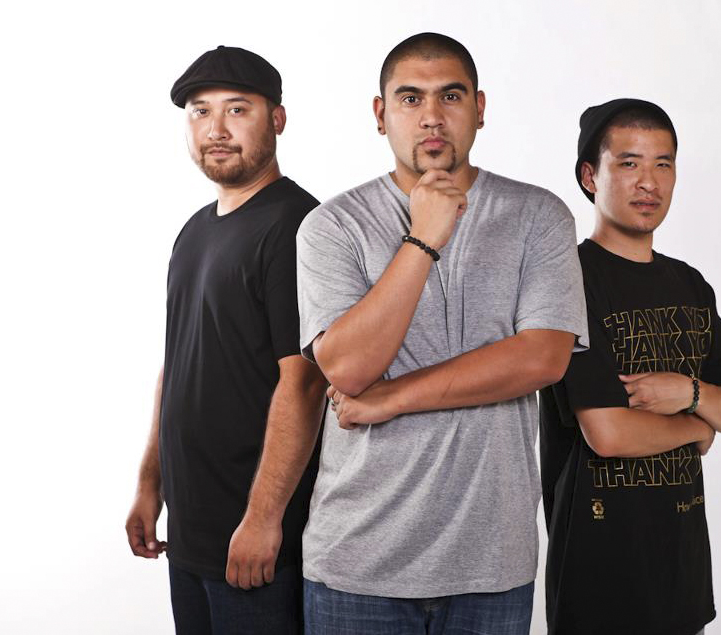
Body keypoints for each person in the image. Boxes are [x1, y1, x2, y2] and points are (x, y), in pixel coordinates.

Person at [295, 33, 588, 634]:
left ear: (479, 108)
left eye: (450, 96)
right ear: (381, 114)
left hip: (492, 565)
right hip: (358, 562)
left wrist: (393, 398)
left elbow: (542, 358)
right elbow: (346, 369)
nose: (431, 115)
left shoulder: (539, 215)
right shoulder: (332, 226)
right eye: (411, 98)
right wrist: (423, 237)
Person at [124, 45, 327, 635]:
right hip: (191, 531)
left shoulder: (297, 226)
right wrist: (150, 482)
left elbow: (305, 381)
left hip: (258, 540)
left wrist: (264, 518)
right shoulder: (194, 231)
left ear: (277, 119)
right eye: (200, 111)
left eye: (237, 110)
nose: (216, 129)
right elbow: (178, 366)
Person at [539, 98, 721, 635]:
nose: (649, 182)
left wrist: (689, 391)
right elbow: (608, 432)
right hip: (598, 578)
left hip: (682, 576)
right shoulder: (570, 281)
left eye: (663, 163)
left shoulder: (690, 284)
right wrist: (696, 426)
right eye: (629, 163)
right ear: (590, 176)